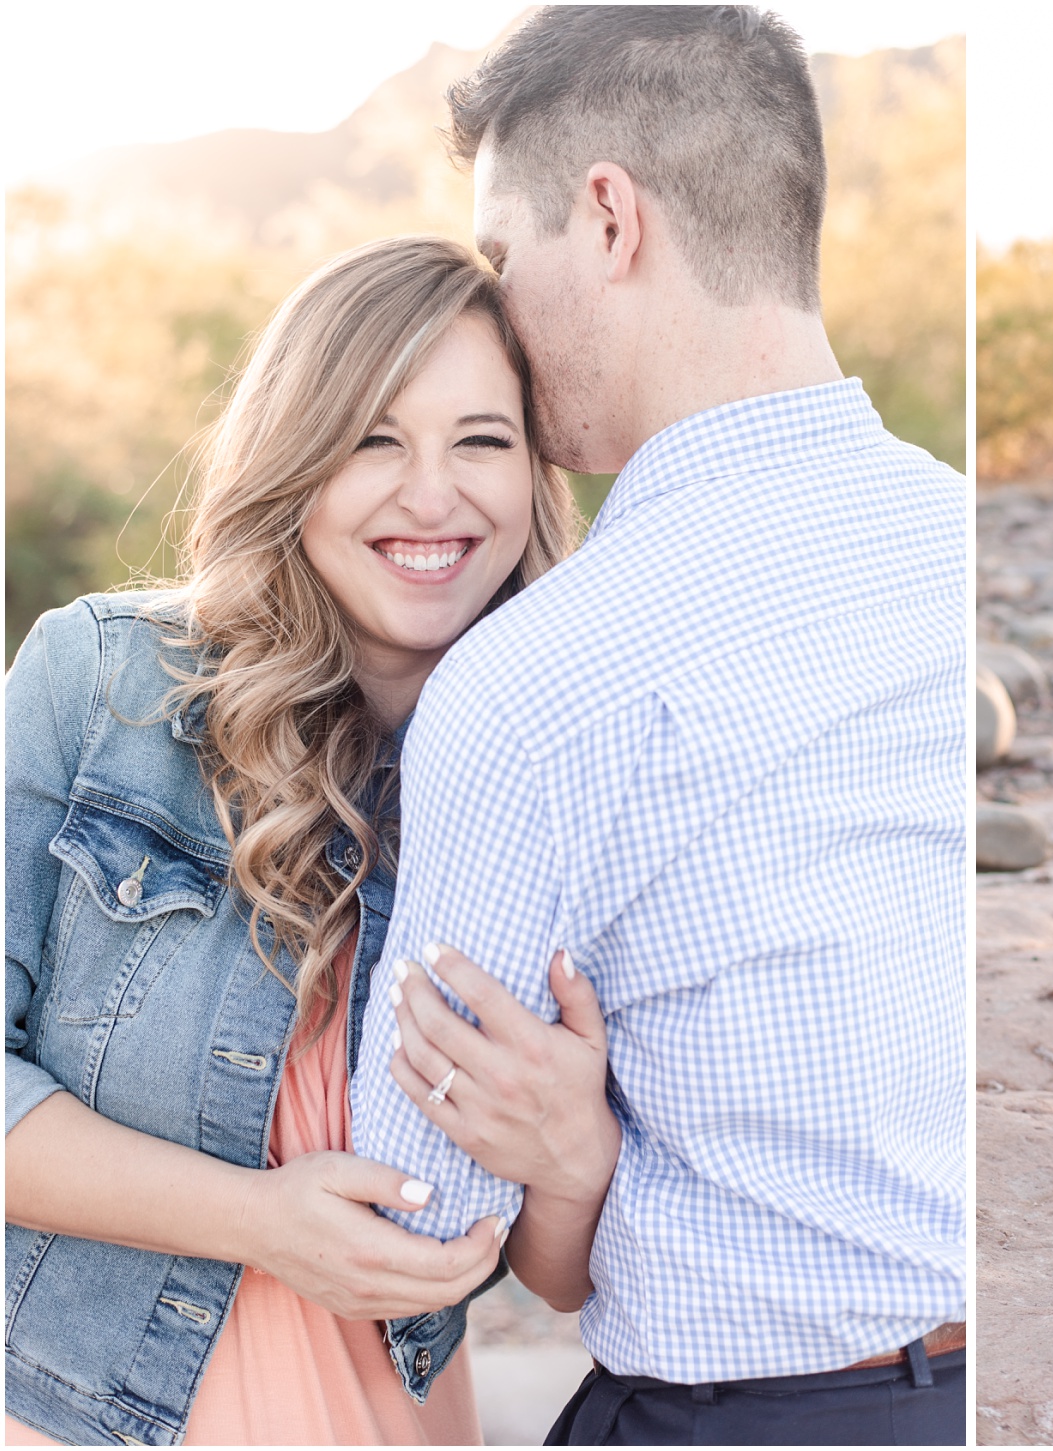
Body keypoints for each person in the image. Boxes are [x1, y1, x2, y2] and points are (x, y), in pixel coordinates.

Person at [344, 8, 967, 1445]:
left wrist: (580, 1154)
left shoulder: (533, 680)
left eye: (505, 255)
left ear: (610, 216)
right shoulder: (954, 541)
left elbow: (420, 1204)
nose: (497, 310)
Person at [5, 235, 620, 1444]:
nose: (433, 495)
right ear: (294, 459)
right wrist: (260, 1219)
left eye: (482, 441)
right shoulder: (102, 684)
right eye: (373, 439)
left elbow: (562, 1278)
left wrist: (576, 1146)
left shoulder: (577, 769)